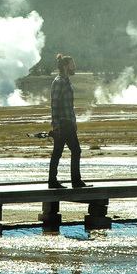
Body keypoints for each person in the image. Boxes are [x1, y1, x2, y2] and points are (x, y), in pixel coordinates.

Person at [48, 54, 87, 189]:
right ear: (65, 66)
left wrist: (74, 122)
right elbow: (54, 104)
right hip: (63, 123)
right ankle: (75, 181)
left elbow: (69, 106)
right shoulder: (59, 81)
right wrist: (56, 125)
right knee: (75, 150)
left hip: (68, 122)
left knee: (59, 152)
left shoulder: (65, 81)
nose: (74, 67)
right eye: (72, 64)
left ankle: (53, 181)